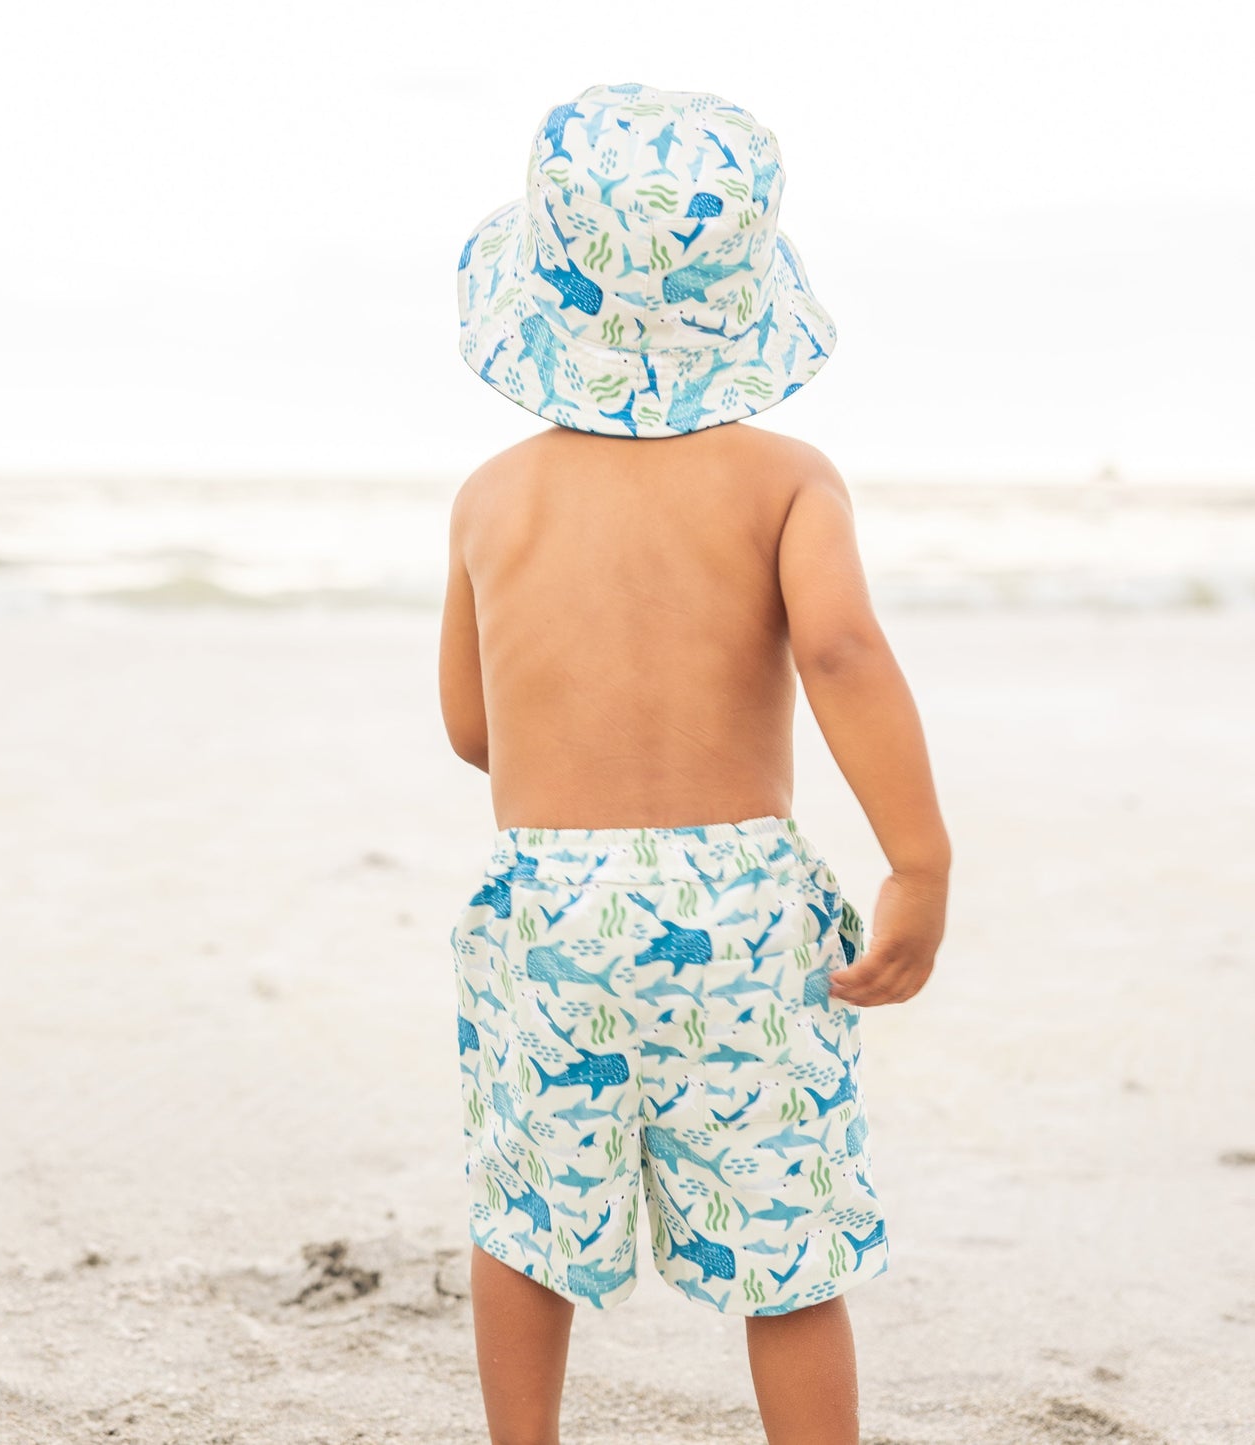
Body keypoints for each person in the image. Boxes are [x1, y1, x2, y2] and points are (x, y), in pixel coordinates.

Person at [440, 81, 950, 1445]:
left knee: (528, 1215)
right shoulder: (786, 480)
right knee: (783, 1245)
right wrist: (918, 857)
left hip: (545, 907)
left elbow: (473, 729)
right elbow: (838, 651)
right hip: (735, 906)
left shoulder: (491, 494)